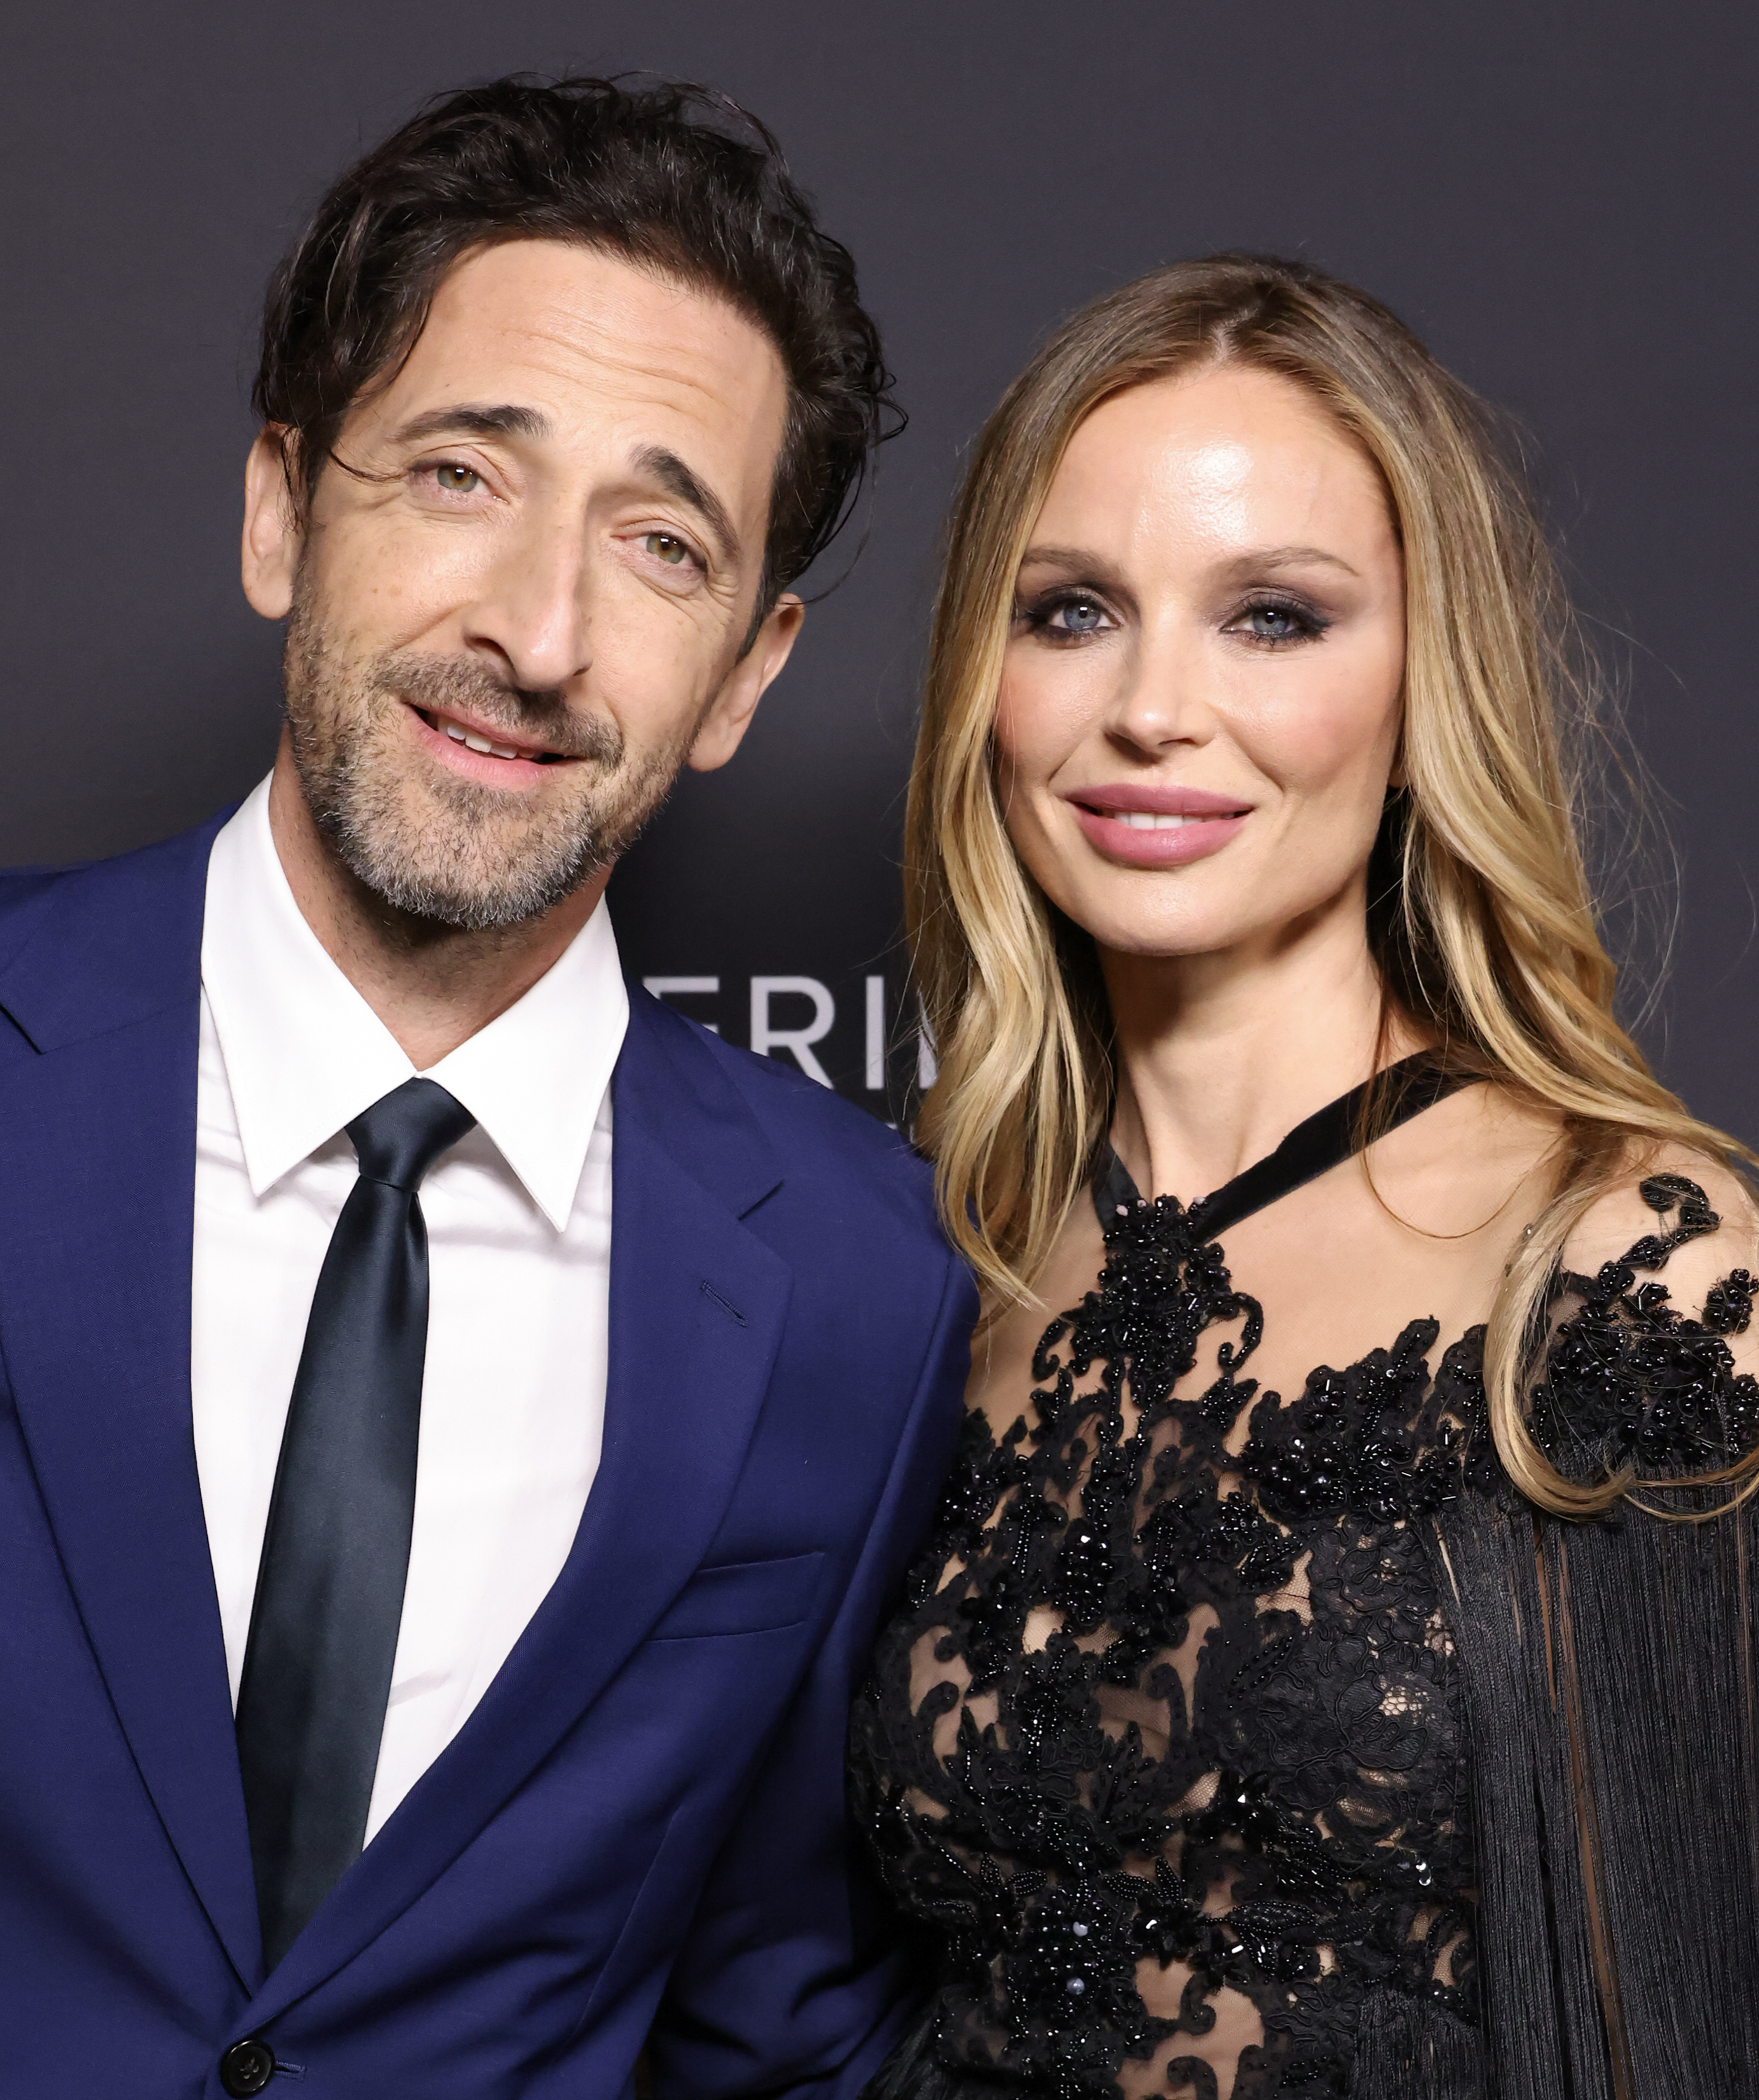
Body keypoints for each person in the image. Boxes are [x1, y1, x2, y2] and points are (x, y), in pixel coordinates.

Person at [0, 76, 974, 2097]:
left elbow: (777, 2026)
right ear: (283, 509)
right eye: (460, 474)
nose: (538, 632)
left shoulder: (863, 1287)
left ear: (747, 673)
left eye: (659, 541)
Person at [848, 255, 1759, 2100]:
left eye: (1271, 616)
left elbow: (1678, 2011)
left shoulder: (1624, 1259)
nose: (1152, 713)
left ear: (1424, 675)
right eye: (1072, 611)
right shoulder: (916, 1253)